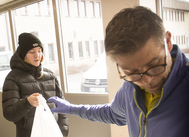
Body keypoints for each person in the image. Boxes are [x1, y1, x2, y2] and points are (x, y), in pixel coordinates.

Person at [48, 6, 189, 137]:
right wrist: (72, 108)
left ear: (168, 41)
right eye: (132, 72)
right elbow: (112, 113)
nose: (146, 81)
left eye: (154, 65)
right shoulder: (130, 88)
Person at [2, 33, 69, 137]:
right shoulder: (13, 78)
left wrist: (63, 131)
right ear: (23, 55)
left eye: (39, 51)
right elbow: (9, 114)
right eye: (32, 52)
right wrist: (26, 103)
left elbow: (62, 108)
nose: (37, 55)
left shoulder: (51, 76)